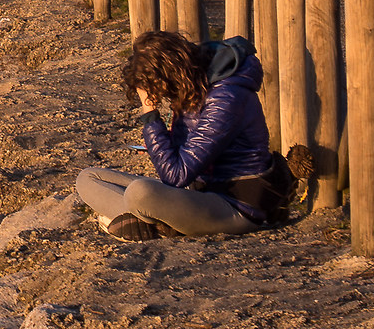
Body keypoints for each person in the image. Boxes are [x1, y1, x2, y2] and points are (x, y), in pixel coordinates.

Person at [73, 30, 293, 242]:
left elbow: (175, 175)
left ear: (170, 73)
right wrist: (162, 142)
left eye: (158, 88)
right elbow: (180, 167)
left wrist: (150, 114)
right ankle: (148, 222)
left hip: (235, 205)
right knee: (88, 178)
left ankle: (143, 222)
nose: (160, 96)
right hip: (195, 192)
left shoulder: (226, 99)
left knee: (140, 194)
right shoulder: (192, 86)